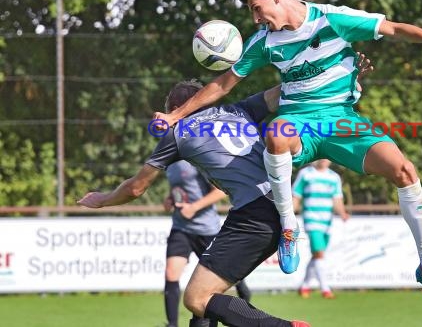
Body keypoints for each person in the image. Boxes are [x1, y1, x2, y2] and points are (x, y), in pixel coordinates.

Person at [152, 0, 422, 314]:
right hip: (299, 121)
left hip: (341, 121)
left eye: (256, 7)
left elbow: (395, 29)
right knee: (277, 134)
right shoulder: (263, 41)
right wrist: (176, 116)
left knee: (404, 170)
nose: (255, 17)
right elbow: (221, 85)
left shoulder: (333, 18)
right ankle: (289, 227)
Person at [79, 81, 310, 327]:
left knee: (197, 298)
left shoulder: (179, 133)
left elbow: (136, 187)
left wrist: (103, 199)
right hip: (278, 206)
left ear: (178, 108)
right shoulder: (237, 110)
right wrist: (336, 72)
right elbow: (286, 89)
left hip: (255, 215)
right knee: (204, 305)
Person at [162, 159, 251, 327]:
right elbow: (180, 188)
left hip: (206, 230)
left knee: (216, 280)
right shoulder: (169, 162)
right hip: (181, 228)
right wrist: (170, 199)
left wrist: (194, 207)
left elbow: (219, 191)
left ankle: (242, 289)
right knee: (170, 273)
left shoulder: (195, 158)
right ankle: (172, 324)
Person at [292, 159, 349, 299]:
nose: (324, 160)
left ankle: (304, 286)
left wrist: (342, 213)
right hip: (311, 219)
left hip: (327, 221)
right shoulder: (306, 174)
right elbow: (296, 196)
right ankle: (325, 289)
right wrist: (289, 215)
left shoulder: (333, 177)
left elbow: (337, 199)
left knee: (318, 254)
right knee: (319, 253)